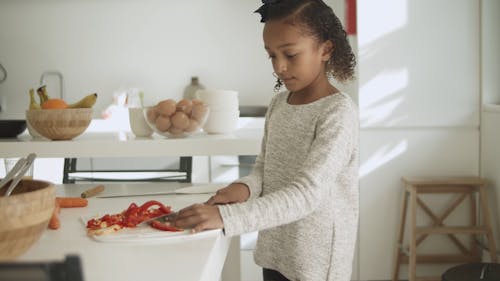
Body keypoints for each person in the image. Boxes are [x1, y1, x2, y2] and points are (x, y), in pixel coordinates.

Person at [172, 0, 358, 280]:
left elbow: (308, 194)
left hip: (314, 265)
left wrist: (227, 218)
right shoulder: (280, 104)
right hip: (275, 251)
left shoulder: (338, 112)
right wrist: (242, 188)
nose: (280, 67)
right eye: (271, 55)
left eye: (290, 55)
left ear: (326, 50)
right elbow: (264, 169)